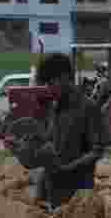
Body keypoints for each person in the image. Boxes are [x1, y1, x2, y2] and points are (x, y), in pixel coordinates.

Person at [8, 52, 104, 209]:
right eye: (46, 84)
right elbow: (48, 143)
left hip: (79, 196)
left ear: (65, 78)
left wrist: (68, 169)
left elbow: (96, 152)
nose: (48, 89)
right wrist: (20, 148)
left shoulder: (88, 108)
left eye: (51, 83)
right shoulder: (55, 108)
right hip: (53, 191)